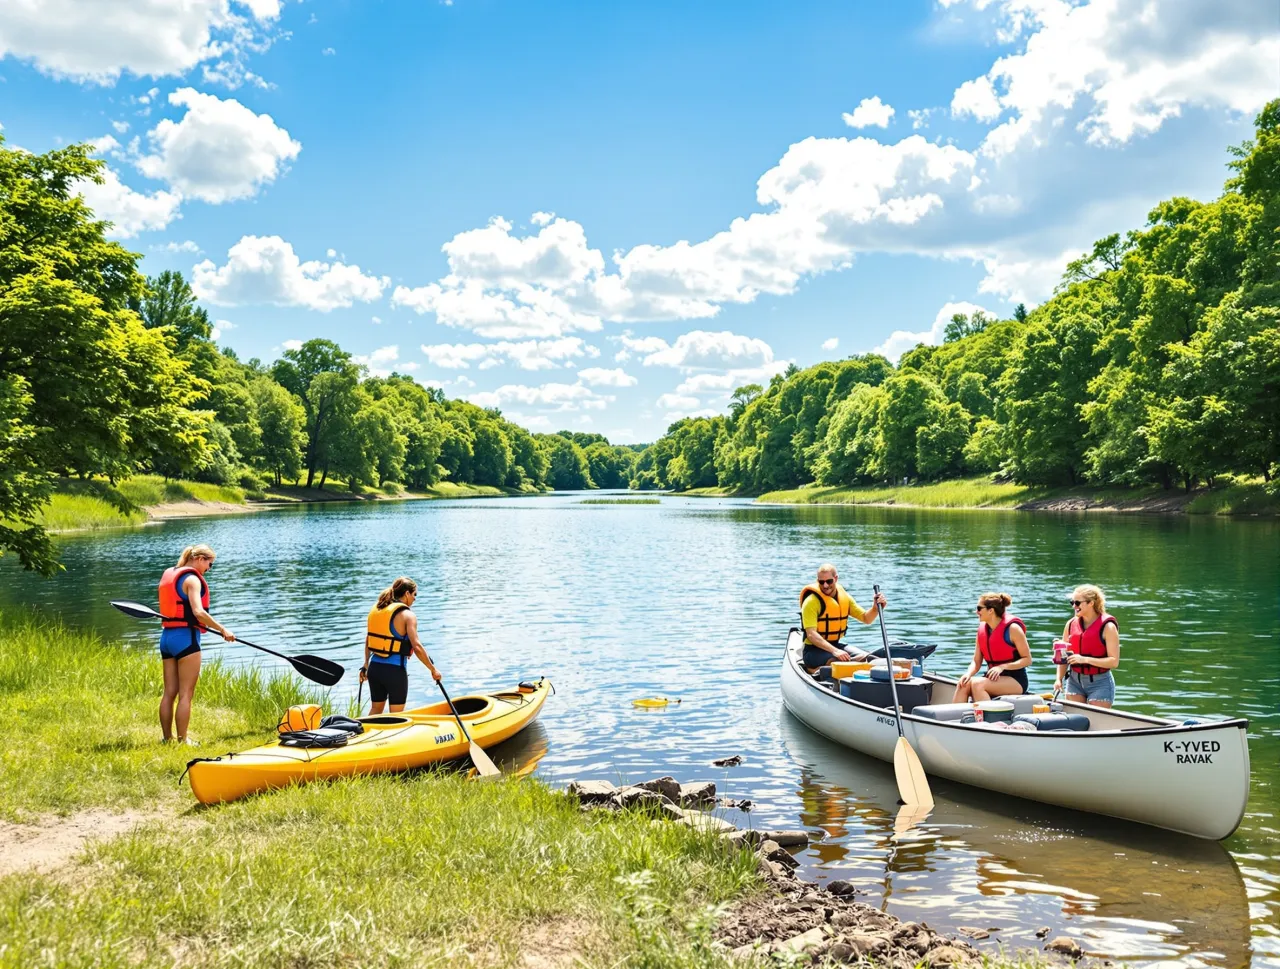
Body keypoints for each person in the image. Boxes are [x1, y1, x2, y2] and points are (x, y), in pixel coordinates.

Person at [157, 544, 235, 744]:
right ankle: (183, 741)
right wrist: (222, 629)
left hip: (166, 638)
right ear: (200, 558)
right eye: (210, 564)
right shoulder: (192, 579)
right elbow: (198, 612)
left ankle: (167, 739)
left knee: (169, 693)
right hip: (185, 640)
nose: (209, 569)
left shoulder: (171, 574)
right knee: (186, 694)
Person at [360, 576, 442, 714]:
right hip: (394, 672)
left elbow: (369, 639)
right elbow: (416, 646)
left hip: (374, 669)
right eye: (414, 594)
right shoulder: (408, 615)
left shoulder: (379, 609)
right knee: (396, 716)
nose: (415, 599)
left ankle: (363, 734)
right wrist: (433, 669)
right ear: (407, 594)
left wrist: (366, 665)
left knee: (375, 710)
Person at [799, 563, 887, 670]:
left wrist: (875, 609)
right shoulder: (811, 602)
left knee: (870, 657)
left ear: (836, 579)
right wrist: (835, 651)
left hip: (836, 645)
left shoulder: (844, 597)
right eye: (821, 582)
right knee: (839, 661)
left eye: (829, 581)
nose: (825, 585)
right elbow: (811, 634)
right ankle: (849, 666)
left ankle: (859, 665)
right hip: (813, 651)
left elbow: (866, 618)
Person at [954, 592, 1032, 702]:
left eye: (979, 608)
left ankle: (989, 718)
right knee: (963, 684)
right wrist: (968, 674)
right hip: (992, 678)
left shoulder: (1013, 629)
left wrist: (1002, 667)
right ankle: (954, 717)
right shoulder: (982, 630)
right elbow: (976, 662)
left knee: (977, 684)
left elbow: (1027, 660)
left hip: (1016, 680)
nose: (976, 612)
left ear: (991, 610)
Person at [1057, 584, 1119, 707]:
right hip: (1074, 680)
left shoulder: (1108, 627)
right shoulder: (1070, 624)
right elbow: (1063, 656)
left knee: (1097, 723)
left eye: (1078, 603)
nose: (1074, 606)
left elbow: (1114, 662)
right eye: (1072, 602)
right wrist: (1058, 679)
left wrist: (1084, 659)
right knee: (1074, 722)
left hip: (1100, 683)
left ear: (1091, 603)